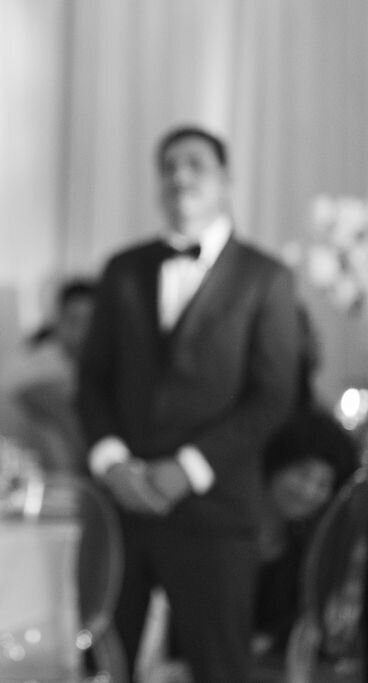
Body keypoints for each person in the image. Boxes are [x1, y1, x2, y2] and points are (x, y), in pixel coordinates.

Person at [77, 125, 301, 682]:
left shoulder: (265, 277)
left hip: (217, 510)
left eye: (195, 164)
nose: (180, 175)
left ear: (225, 181)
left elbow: (274, 395)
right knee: (104, 663)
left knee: (219, 667)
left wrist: (189, 468)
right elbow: (92, 381)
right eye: (170, 165)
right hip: (122, 508)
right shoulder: (122, 269)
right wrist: (113, 464)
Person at [253, 408, 358, 655]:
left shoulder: (311, 552)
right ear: (276, 465)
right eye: (303, 473)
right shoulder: (225, 535)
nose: (309, 492)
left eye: (323, 483)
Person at [14, 278, 96, 474]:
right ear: (58, 319)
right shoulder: (36, 365)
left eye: (91, 322)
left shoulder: (105, 366)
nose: (83, 331)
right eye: (74, 320)